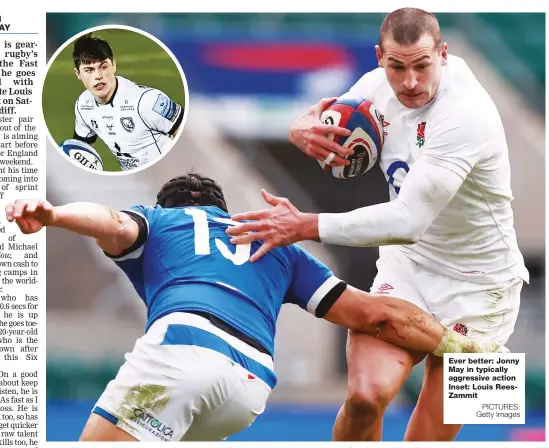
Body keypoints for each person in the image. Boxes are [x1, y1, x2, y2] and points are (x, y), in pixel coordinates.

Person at [6, 174, 506, 442]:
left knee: (367, 397)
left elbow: (111, 222)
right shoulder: (278, 247)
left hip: (183, 351)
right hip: (247, 391)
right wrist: (466, 346)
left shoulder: (162, 222)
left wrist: (53, 215)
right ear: (225, 211)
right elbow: (375, 314)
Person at [226, 8, 529, 442]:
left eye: (422, 65)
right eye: (397, 66)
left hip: (485, 292)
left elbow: (409, 220)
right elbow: (324, 122)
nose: (410, 82)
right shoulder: (372, 87)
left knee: (429, 438)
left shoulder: (468, 113)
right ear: (379, 58)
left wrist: (304, 225)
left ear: (443, 54)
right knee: (366, 397)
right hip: (406, 269)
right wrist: (299, 130)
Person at [71, 33, 184, 171]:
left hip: (168, 173)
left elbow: (185, 131)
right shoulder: (83, 104)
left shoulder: (146, 101)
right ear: (78, 74)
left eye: (103, 67)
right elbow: (80, 147)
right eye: (89, 70)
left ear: (113, 65)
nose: (98, 76)